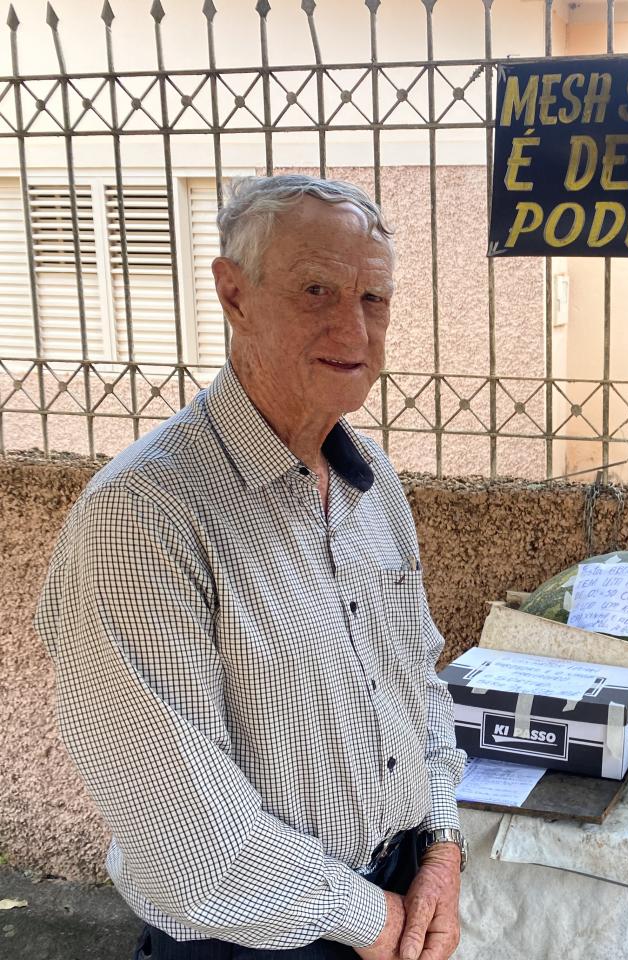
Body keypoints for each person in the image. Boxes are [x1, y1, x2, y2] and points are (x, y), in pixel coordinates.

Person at [34, 175, 468, 960]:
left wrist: (441, 847)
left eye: (375, 299)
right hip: (257, 939)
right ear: (233, 295)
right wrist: (378, 924)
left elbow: (418, 681)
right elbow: (186, 837)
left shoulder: (374, 483)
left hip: (395, 899)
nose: (354, 328)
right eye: (316, 289)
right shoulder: (144, 515)